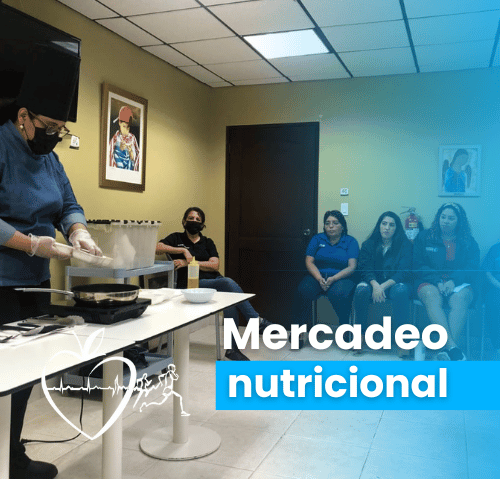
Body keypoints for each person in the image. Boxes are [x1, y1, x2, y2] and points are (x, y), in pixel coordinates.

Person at [0, 45, 101, 479]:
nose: (55, 136)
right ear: (23, 115)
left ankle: (10, 455)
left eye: (62, 129)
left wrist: (78, 232)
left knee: (25, 375)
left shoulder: (49, 157)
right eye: (50, 127)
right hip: (2, 283)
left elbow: (69, 204)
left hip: (35, 282)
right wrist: (32, 244)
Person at [156, 207, 271, 361]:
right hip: (190, 285)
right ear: (184, 222)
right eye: (191, 218)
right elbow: (157, 248)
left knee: (230, 300)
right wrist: (183, 251)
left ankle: (232, 349)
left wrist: (189, 262)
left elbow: (215, 265)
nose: (194, 221)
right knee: (227, 283)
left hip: (211, 283)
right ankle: (256, 321)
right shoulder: (176, 238)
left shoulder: (207, 242)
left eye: (198, 220)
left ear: (202, 225)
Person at [413, 202, 479, 361]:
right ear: (438, 218)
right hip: (430, 281)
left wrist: (453, 281)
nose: (446, 221)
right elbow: (417, 265)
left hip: (459, 283)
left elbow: (472, 268)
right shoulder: (424, 237)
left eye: (451, 218)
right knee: (431, 295)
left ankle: (446, 352)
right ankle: (452, 348)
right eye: (443, 217)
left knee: (460, 298)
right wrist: (437, 281)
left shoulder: (468, 241)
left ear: (459, 221)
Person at [292, 210, 359, 348]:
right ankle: (299, 333)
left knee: (339, 294)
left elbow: (352, 267)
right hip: (318, 276)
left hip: (341, 277)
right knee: (303, 290)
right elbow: (309, 261)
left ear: (342, 226)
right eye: (327, 223)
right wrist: (319, 278)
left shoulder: (350, 241)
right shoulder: (317, 239)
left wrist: (333, 278)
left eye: (335, 223)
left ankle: (345, 329)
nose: (331, 226)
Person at [354, 211, 412, 332]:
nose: (387, 228)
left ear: (396, 228)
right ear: (379, 225)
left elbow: (404, 271)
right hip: (372, 283)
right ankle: (360, 334)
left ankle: (402, 336)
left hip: (395, 283)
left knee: (401, 291)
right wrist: (375, 285)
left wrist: (382, 287)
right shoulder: (368, 244)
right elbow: (364, 268)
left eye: (391, 225)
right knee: (361, 290)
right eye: (384, 223)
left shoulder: (405, 245)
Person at [482, 240, 500, 356]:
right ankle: (497, 346)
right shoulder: (495, 249)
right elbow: (487, 272)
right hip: (496, 288)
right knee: (494, 303)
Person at [108, 105, 140, 171]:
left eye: (128, 128)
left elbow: (137, 156)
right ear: (119, 123)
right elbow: (109, 152)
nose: (126, 131)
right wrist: (120, 149)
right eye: (124, 126)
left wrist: (131, 152)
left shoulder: (132, 138)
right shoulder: (116, 137)